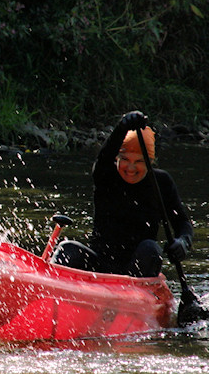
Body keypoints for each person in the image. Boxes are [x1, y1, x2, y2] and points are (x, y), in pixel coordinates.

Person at [51, 111, 192, 277]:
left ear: (151, 162)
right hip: (98, 266)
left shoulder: (161, 182)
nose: (131, 168)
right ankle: (50, 288)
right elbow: (105, 155)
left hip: (138, 270)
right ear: (117, 158)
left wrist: (183, 241)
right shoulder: (105, 174)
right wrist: (122, 127)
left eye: (139, 161)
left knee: (151, 248)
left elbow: (182, 222)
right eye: (125, 159)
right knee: (67, 248)